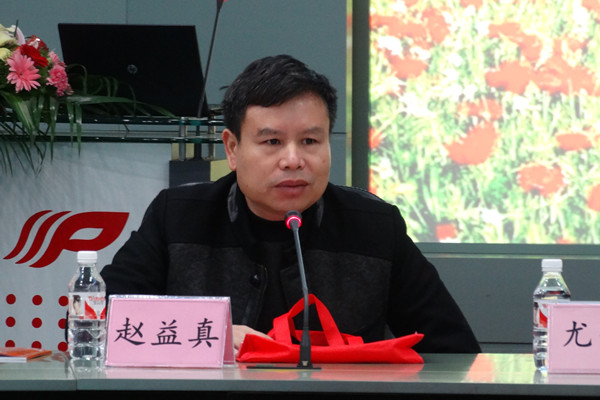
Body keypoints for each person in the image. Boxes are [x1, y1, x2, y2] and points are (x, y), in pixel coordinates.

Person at [100, 54, 481, 354]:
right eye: (272, 142)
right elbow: (99, 322)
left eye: (310, 141)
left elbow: (454, 351)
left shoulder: (375, 227)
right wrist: (213, 335)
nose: (293, 160)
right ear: (232, 148)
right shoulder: (178, 216)